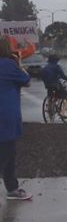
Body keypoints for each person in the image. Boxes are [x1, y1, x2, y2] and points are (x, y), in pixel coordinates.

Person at [0, 36, 33, 200]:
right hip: (6, 115)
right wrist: (19, 64)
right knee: (7, 154)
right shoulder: (9, 65)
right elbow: (27, 81)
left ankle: (12, 188)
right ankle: (12, 188)